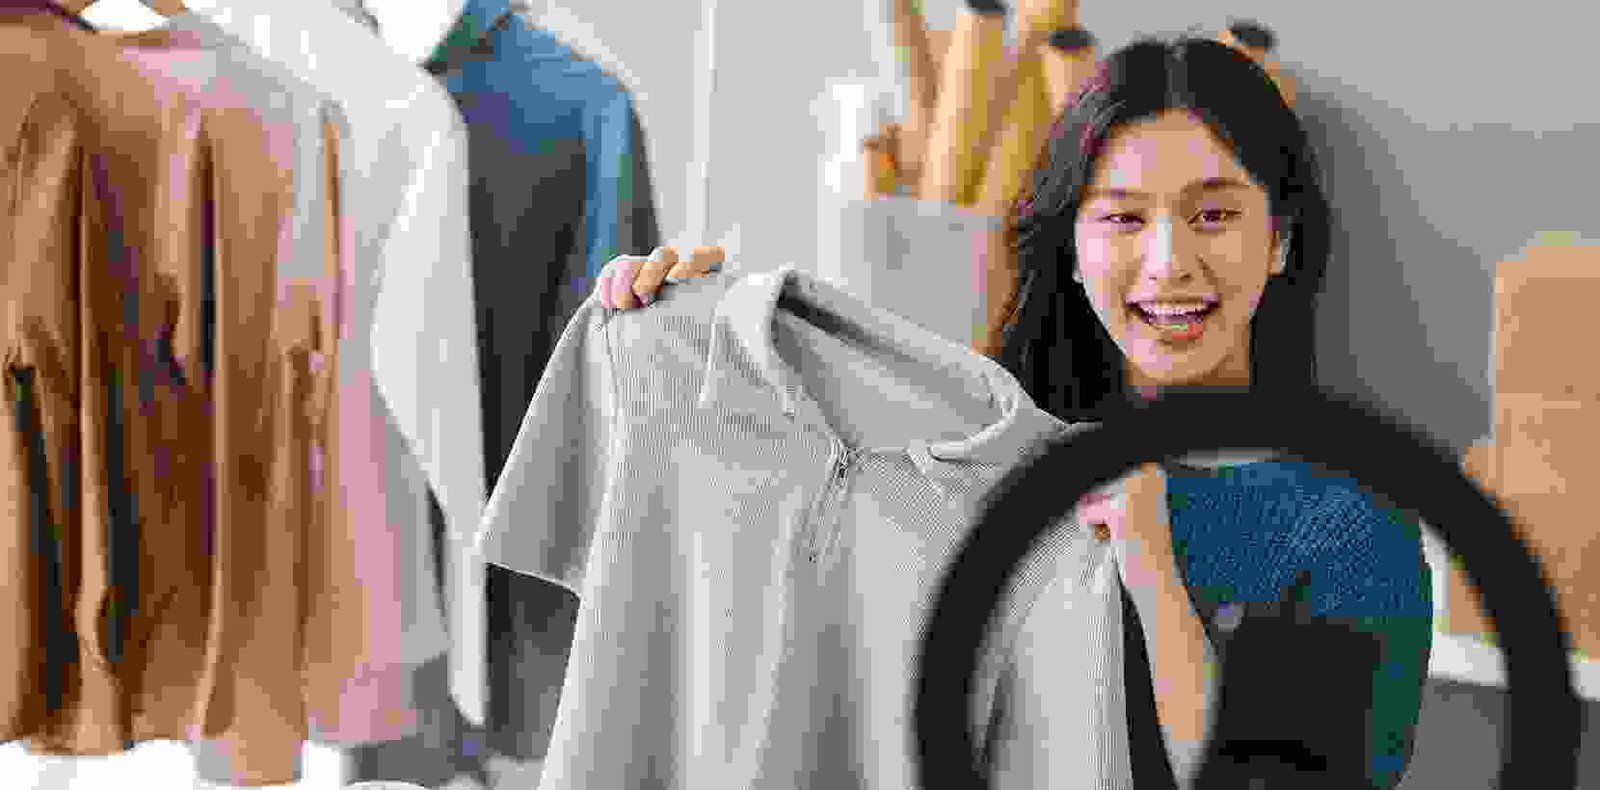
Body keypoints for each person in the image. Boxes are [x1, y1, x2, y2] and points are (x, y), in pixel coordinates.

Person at [592, 33, 1431, 788]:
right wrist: (679, 332)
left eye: (1213, 215)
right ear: (1073, 247)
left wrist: (1154, 575)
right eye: (1123, 218)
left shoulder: (1354, 529)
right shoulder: (969, 455)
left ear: (1281, 237)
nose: (1169, 261)